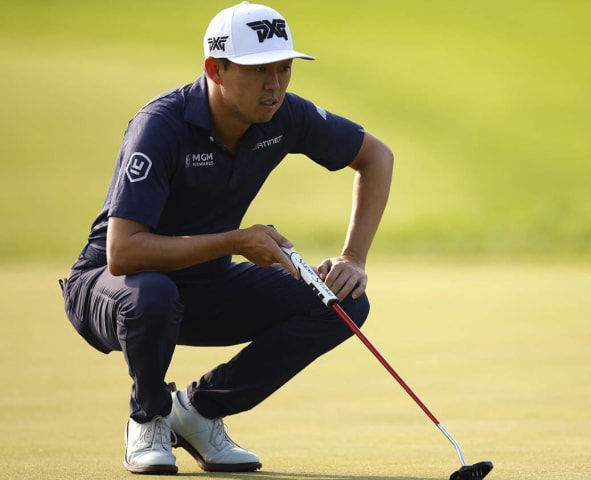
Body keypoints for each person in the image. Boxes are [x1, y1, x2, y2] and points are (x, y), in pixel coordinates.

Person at [58, 1, 393, 475]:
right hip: (110, 288)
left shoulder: (283, 117)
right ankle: (149, 416)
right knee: (153, 293)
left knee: (342, 303)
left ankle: (197, 411)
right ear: (215, 69)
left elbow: (376, 156)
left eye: (283, 69)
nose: (274, 85)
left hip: (204, 285)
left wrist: (354, 257)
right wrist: (236, 241)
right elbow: (124, 253)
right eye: (259, 71)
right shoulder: (161, 125)